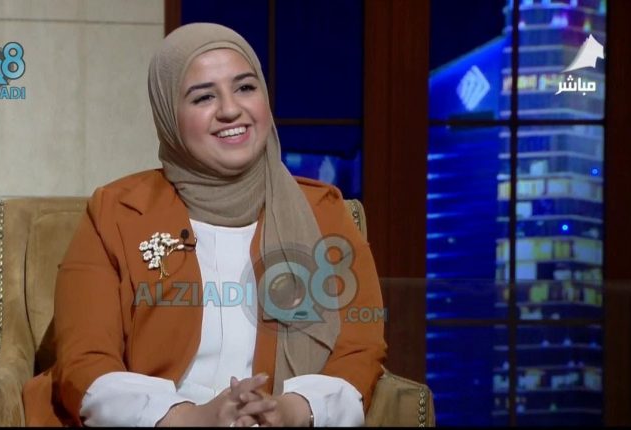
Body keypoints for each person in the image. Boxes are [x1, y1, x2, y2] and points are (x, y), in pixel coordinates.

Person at [22, 22, 386, 427]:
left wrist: (288, 410)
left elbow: (359, 349)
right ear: (169, 116)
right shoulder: (117, 212)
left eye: (245, 87)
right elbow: (86, 359)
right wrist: (191, 418)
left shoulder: (323, 213)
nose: (230, 109)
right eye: (203, 97)